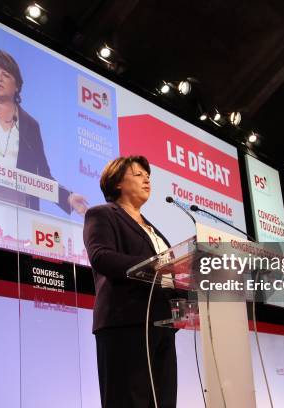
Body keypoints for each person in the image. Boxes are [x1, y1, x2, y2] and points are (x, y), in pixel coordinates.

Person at [83, 156, 178, 408]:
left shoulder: (154, 230)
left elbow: (168, 276)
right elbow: (101, 257)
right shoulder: (102, 215)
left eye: (148, 175)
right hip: (124, 324)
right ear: (117, 184)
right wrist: (154, 264)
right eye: (138, 174)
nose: (147, 178)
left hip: (161, 325)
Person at [0, 49, 87, 215]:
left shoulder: (30, 125)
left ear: (17, 85)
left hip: (19, 213)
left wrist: (67, 197)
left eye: (5, 74)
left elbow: (42, 174)